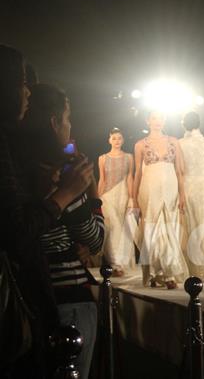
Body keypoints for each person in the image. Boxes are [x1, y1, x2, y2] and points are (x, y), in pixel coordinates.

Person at [27, 84, 105, 379]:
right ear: (54, 123)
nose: (69, 126)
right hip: (66, 298)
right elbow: (95, 239)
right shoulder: (59, 177)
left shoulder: (18, 168)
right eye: (67, 118)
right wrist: (90, 193)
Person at [133, 111, 187, 289]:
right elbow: (138, 173)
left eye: (161, 117)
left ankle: (169, 272)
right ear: (148, 120)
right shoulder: (140, 144)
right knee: (152, 229)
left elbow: (180, 171)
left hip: (170, 186)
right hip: (149, 187)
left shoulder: (174, 141)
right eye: (154, 118)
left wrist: (183, 194)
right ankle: (157, 273)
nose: (158, 121)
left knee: (169, 227)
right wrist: (134, 199)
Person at [178, 111, 204, 283]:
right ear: (199, 123)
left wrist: (180, 193)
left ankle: (194, 271)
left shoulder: (179, 143)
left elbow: (180, 171)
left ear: (183, 124)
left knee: (191, 228)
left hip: (188, 187)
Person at [98, 127, 135, 276]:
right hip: (107, 196)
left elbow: (130, 178)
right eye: (114, 138)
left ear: (123, 140)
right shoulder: (102, 158)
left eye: (119, 138)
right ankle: (115, 264)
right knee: (111, 227)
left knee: (122, 228)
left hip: (123, 194)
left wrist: (132, 198)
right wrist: (97, 198)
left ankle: (121, 263)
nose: (117, 141)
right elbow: (102, 179)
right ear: (109, 140)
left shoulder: (129, 157)